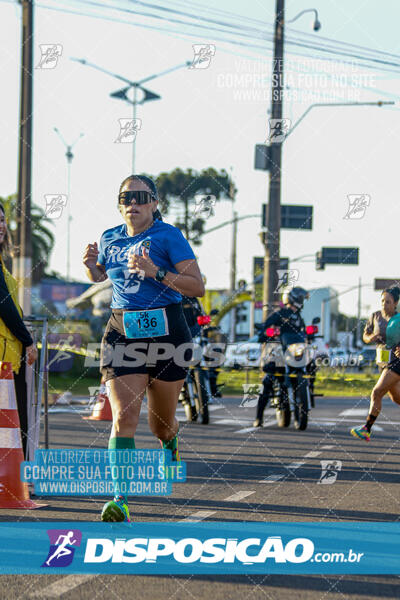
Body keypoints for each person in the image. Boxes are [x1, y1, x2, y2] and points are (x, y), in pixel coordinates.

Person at [83, 175, 204, 522]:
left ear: (154, 203)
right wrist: (92, 268)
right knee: (124, 417)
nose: (132, 203)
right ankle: (119, 499)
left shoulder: (169, 236)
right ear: (119, 203)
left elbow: (196, 287)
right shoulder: (110, 238)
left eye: (140, 197)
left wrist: (158, 272)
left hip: (168, 332)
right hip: (123, 331)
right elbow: (103, 276)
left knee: (161, 424)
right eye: (125, 197)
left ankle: (170, 442)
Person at [0, 203, 38, 457]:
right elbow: (3, 304)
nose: (1, 225)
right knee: (10, 420)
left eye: (2, 220)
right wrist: (27, 340)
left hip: (9, 352)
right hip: (4, 355)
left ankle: (13, 480)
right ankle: (13, 482)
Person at [253, 287, 309, 427]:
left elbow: (303, 333)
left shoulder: (299, 317)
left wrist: (310, 336)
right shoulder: (281, 313)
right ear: (292, 299)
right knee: (268, 380)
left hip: (294, 354)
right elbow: (265, 325)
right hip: (278, 352)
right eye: (301, 298)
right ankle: (259, 417)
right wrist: (263, 332)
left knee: (309, 369)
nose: (302, 301)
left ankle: (305, 401)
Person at [350, 287, 400, 441]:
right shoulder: (375, 316)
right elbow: (365, 335)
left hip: (397, 362)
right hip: (383, 363)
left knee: (376, 392)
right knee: (396, 397)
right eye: (383, 301)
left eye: (388, 302)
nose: (384, 304)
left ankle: (366, 429)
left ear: (396, 303)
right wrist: (370, 337)